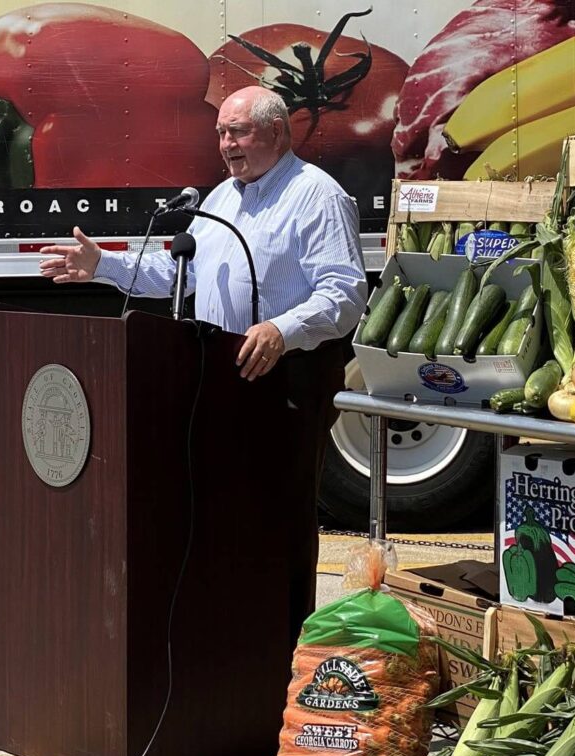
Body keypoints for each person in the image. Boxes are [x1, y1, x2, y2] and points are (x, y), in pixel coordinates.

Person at [38, 86, 368, 647]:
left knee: (276, 524)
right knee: (221, 521)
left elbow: (346, 292)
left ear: (277, 132)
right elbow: (174, 279)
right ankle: (227, 651)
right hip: (214, 380)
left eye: (237, 131)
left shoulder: (316, 196)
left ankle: (280, 649)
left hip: (284, 381)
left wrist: (281, 330)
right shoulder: (219, 199)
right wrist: (103, 266)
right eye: (220, 133)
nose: (225, 144)